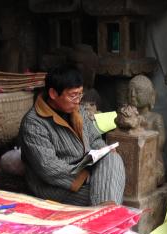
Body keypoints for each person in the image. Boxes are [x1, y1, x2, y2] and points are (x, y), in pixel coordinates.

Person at [19, 65, 125, 206]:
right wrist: (86, 177)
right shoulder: (33, 123)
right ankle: (106, 213)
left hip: (86, 170)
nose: (78, 100)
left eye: (80, 94)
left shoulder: (78, 111)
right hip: (55, 186)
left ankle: (105, 212)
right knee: (106, 194)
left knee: (112, 158)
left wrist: (104, 150)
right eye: (73, 95)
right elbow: (48, 168)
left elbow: (94, 139)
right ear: (53, 94)